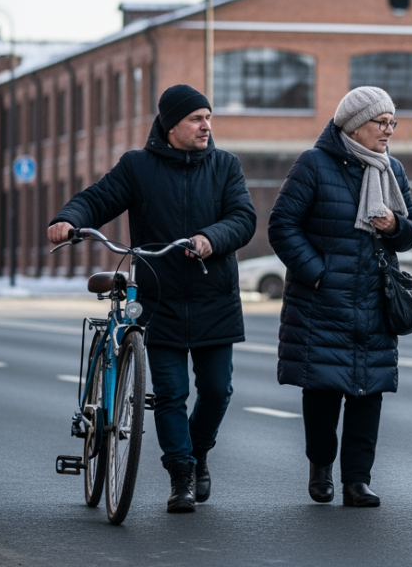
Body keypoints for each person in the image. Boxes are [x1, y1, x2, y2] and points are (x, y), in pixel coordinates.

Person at [48, 84, 256, 514]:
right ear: (171, 125)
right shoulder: (137, 168)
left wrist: (210, 238)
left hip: (213, 295)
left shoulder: (225, 166)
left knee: (218, 391)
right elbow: (97, 199)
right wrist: (69, 219)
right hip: (159, 298)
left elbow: (243, 218)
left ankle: (197, 453)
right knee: (169, 394)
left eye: (208, 117)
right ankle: (180, 474)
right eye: (197, 118)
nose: (206, 125)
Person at [268, 86, 412, 508]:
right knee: (322, 389)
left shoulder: (392, 170)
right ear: (355, 125)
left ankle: (357, 481)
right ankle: (321, 466)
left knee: (368, 392)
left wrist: (393, 226)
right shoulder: (314, 165)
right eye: (381, 122)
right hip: (323, 300)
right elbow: (282, 226)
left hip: (375, 298)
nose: (388, 130)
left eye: (392, 122)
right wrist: (318, 273)